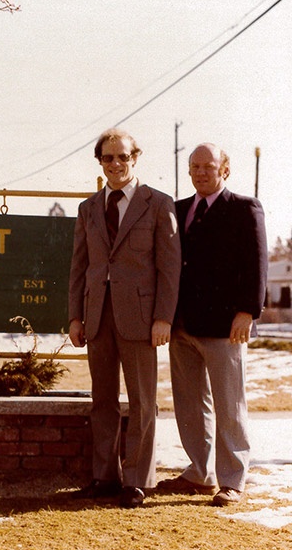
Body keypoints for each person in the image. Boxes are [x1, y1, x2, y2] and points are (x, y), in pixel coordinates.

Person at [68, 128, 181, 508]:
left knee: (142, 400)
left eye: (122, 157)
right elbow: (79, 268)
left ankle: (137, 480)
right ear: (100, 162)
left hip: (142, 318)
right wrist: (75, 318)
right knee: (103, 399)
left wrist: (163, 317)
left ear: (136, 158)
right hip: (97, 315)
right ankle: (105, 476)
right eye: (108, 158)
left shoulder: (158, 203)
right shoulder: (88, 209)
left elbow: (169, 270)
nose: (115, 164)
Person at [158, 143, 267, 506]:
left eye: (208, 166)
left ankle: (233, 479)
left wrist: (247, 311)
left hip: (225, 325)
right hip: (182, 323)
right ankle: (199, 472)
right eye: (195, 166)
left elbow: (256, 263)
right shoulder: (178, 210)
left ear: (225, 169)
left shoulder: (243, 208)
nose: (201, 172)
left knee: (229, 404)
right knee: (190, 404)